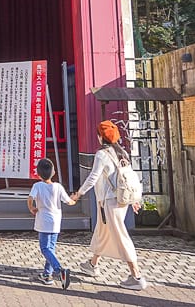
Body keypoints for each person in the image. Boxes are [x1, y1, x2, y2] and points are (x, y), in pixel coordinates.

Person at [71, 120, 147, 291]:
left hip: (109, 201)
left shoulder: (102, 154)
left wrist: (78, 193)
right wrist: (134, 199)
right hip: (121, 200)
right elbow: (128, 177)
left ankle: (137, 276)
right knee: (102, 232)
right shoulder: (122, 152)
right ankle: (93, 264)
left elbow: (93, 177)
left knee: (120, 236)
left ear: (100, 137)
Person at [28, 157, 75, 290]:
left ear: (38, 173)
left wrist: (32, 208)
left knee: (45, 249)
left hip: (43, 221)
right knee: (51, 248)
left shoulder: (37, 186)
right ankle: (47, 275)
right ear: (54, 172)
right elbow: (69, 202)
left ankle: (59, 270)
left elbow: (30, 198)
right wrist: (75, 198)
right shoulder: (58, 186)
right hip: (56, 222)